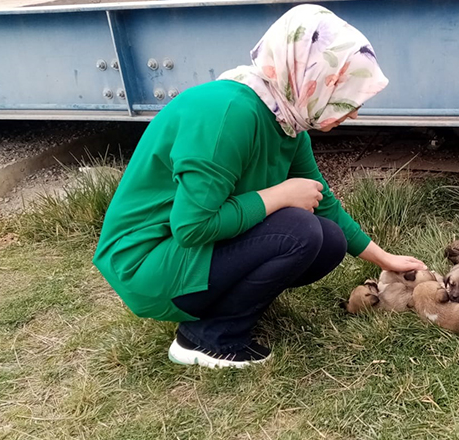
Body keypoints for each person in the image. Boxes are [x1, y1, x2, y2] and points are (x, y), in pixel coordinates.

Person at [92, 4, 426, 369]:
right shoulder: (227, 115)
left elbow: (322, 199)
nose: (354, 112)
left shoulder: (285, 117)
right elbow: (190, 227)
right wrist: (279, 195)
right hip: (146, 265)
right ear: (312, 79)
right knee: (300, 231)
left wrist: (383, 258)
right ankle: (206, 339)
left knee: (328, 239)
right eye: (345, 96)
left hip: (180, 253)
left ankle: (220, 309)